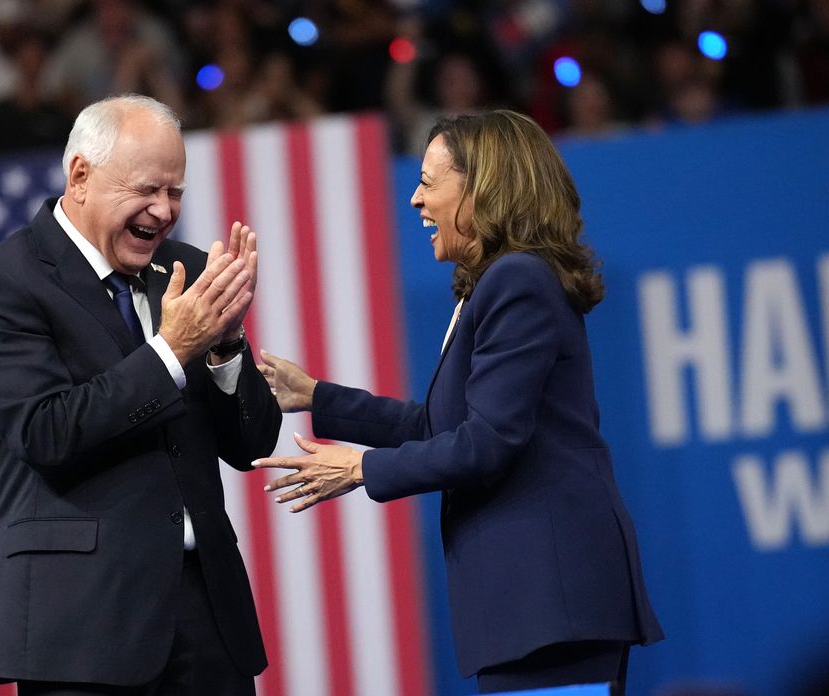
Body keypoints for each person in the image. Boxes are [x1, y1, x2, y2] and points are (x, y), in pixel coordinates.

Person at [254, 110, 664, 694]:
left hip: (551, 601)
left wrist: (359, 467)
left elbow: (486, 443)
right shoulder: (496, 283)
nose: (416, 199)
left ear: (483, 187)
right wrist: (316, 396)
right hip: (537, 604)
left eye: (429, 181)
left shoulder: (516, 278)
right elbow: (440, 425)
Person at [0, 94, 281, 695]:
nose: (164, 210)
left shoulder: (182, 271)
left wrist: (227, 347)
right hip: (83, 628)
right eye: (147, 190)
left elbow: (252, 442)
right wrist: (172, 352)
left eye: (175, 192)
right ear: (80, 175)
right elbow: (45, 432)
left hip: (207, 618)